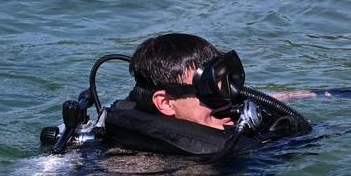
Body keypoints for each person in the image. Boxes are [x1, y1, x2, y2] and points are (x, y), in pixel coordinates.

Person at [101, 33, 313, 155]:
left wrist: (291, 96)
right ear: (165, 103)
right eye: (210, 89)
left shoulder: (203, 108)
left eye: (225, 81)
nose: (227, 97)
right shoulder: (135, 163)